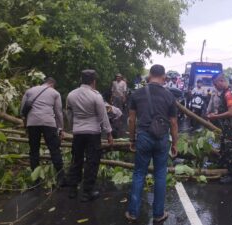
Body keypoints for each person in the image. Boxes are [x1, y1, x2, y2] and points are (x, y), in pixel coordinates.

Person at [125, 64, 178, 223]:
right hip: (162, 138)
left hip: (143, 137)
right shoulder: (169, 96)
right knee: (160, 174)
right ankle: (158, 214)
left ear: (149, 75)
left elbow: (132, 120)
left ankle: (132, 213)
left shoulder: (136, 94)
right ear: (163, 77)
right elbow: (174, 123)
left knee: (139, 173)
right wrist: (174, 143)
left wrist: (132, 139)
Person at [65, 69, 114, 201]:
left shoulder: (71, 95)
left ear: (81, 80)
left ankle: (72, 190)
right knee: (92, 162)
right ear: (93, 81)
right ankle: (87, 192)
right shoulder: (96, 96)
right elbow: (103, 116)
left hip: (78, 132)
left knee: (76, 160)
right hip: (93, 133)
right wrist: (109, 133)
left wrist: (73, 126)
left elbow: (69, 114)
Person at [20, 77, 65, 185]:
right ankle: (61, 178)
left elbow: (23, 111)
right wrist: (61, 129)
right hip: (48, 123)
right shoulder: (55, 93)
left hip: (32, 123)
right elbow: (58, 113)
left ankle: (36, 180)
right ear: (52, 84)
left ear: (44, 82)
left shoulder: (30, 91)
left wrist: (26, 125)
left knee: (34, 151)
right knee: (54, 149)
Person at [207, 73, 232, 183]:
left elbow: (231, 112)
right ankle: (223, 168)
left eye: (216, 84)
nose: (215, 87)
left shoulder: (229, 94)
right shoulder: (225, 93)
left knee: (230, 150)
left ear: (221, 81)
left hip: (231, 127)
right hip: (226, 127)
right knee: (224, 148)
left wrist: (215, 116)